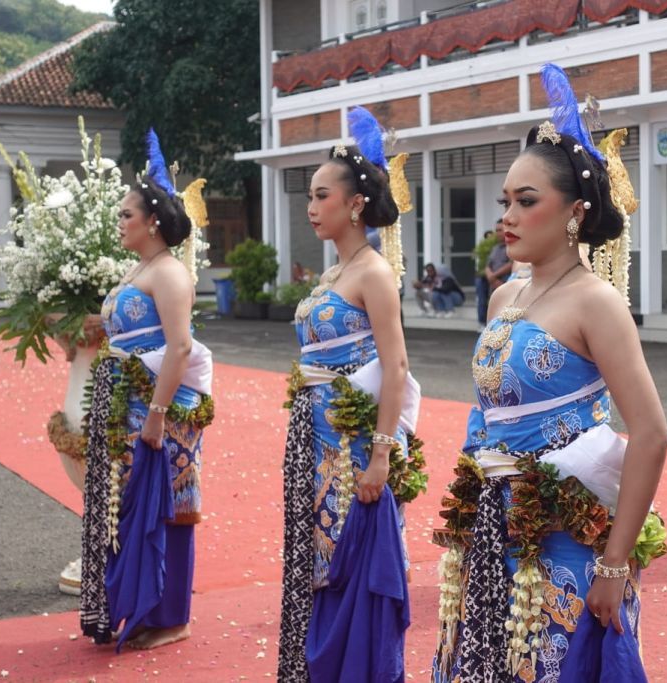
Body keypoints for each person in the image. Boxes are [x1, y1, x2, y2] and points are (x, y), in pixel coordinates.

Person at [432, 64, 667, 682]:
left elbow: (651, 433)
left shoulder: (596, 302)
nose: (507, 215)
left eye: (526, 201)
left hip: (564, 537)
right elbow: (484, 416)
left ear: (575, 212)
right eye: (505, 202)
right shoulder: (501, 298)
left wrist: (615, 563)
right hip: (490, 525)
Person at [278, 107, 424, 682]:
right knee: (317, 556)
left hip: (353, 443)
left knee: (349, 558)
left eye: (321, 195)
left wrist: (383, 454)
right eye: (309, 196)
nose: (311, 207)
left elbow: (397, 366)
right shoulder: (330, 276)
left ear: (355, 203)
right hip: (313, 437)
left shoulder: (373, 273)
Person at [80, 132, 213, 651]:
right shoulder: (140, 270)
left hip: (162, 407)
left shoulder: (171, 274)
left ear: (152, 220)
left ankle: (171, 615)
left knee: (170, 503)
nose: (119, 223)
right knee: (126, 501)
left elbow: (179, 348)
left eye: (125, 215)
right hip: (124, 401)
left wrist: (157, 413)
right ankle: (133, 605)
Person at [473, 226, 498, 324]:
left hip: (494, 276)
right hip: (483, 277)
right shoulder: (483, 249)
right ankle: (482, 322)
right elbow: (482, 266)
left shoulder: (498, 248)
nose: (490, 239)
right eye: (488, 238)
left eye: (491, 237)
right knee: (482, 300)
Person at [484, 220, 513, 294]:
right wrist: (491, 277)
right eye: (496, 230)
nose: (497, 233)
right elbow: (487, 266)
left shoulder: (512, 247)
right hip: (493, 285)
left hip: (506, 284)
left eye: (500, 230)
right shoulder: (495, 248)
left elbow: (511, 264)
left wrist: (493, 276)